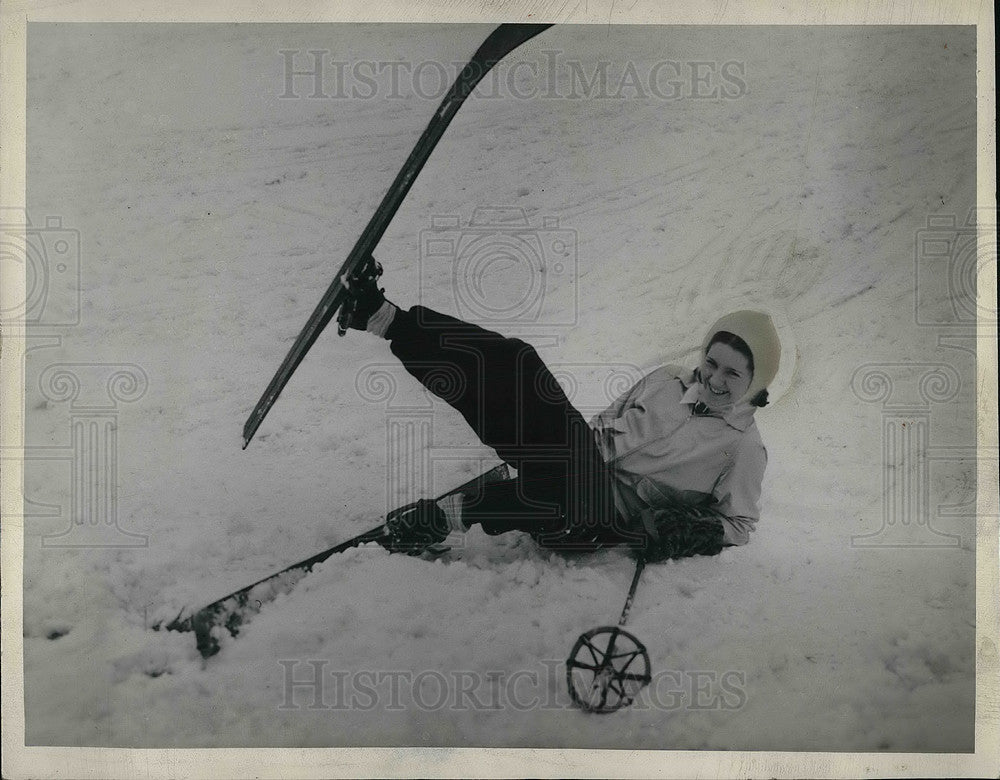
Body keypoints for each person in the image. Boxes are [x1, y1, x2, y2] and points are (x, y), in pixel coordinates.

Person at [337, 255, 780, 563]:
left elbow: (740, 523)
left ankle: (449, 518)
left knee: (562, 481)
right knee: (518, 361)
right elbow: (600, 426)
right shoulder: (667, 378)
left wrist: (694, 531)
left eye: (732, 375)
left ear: (754, 383)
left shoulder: (742, 448)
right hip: (572, 469)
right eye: (711, 362)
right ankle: (384, 318)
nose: (714, 379)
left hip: (598, 522)